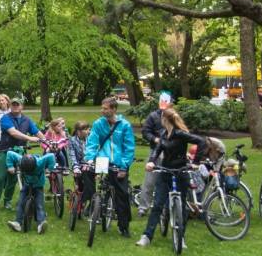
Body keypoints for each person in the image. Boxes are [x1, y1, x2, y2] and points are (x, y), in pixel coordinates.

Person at [136, 107, 203, 247]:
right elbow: (157, 150)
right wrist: (151, 161)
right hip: (165, 171)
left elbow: (201, 141)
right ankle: (147, 236)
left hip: (180, 172)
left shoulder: (181, 134)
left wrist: (196, 162)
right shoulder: (163, 134)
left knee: (182, 206)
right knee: (157, 205)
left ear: (164, 119)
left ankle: (181, 238)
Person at [82, 97, 136, 237]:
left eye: (105, 108)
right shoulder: (98, 124)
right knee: (87, 172)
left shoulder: (124, 125)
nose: (102, 110)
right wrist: (89, 159)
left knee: (122, 194)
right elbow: (92, 142)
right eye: (102, 108)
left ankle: (123, 226)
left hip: (119, 163)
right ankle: (93, 201)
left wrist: (124, 167)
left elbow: (129, 148)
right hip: (102, 160)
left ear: (114, 109)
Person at [0, 97, 43, 211]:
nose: (15, 106)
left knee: (13, 178)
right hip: (4, 150)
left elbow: (37, 132)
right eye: (13, 104)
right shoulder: (5, 118)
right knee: (0, 178)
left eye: (17, 104)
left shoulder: (26, 120)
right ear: (10, 106)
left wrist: (46, 141)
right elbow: (13, 132)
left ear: (21, 107)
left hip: (19, 151)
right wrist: (29, 138)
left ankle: (7, 201)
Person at [137, 92, 173, 215]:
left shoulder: (174, 116)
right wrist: (154, 139)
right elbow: (145, 131)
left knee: (170, 180)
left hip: (172, 151)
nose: (163, 104)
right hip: (156, 151)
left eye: (166, 102)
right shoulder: (153, 116)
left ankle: (170, 206)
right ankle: (143, 207)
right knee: (149, 180)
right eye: (162, 101)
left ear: (171, 103)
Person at [6, 150, 58, 234]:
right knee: (20, 203)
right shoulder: (21, 160)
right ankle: (17, 223)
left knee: (39, 205)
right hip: (27, 184)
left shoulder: (40, 162)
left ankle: (41, 224)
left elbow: (51, 155)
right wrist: (10, 166)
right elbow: (9, 153)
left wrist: (49, 168)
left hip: (38, 185)